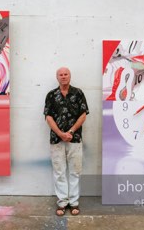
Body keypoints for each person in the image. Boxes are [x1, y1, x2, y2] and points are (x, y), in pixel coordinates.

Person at [43, 67, 89, 216]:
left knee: (75, 171)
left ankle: (74, 202)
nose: (63, 76)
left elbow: (83, 115)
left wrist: (70, 132)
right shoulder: (51, 95)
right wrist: (60, 134)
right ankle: (62, 202)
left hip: (74, 139)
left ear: (70, 76)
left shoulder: (78, 93)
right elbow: (48, 117)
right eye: (60, 75)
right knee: (59, 171)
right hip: (56, 139)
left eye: (66, 74)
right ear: (57, 77)